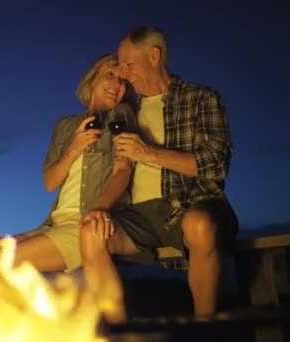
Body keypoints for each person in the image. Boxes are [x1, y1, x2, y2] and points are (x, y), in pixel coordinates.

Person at [79, 26, 238, 323]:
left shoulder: (201, 98)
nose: (123, 74)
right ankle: (118, 330)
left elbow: (216, 164)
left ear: (154, 56)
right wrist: (99, 208)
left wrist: (150, 153)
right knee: (91, 231)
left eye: (128, 64)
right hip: (141, 217)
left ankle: (206, 328)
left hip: (192, 205)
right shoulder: (127, 111)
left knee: (200, 225)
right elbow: (122, 170)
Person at [13, 53, 136, 274]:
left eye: (123, 81)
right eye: (110, 75)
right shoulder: (66, 125)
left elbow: (123, 171)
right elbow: (50, 183)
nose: (117, 84)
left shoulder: (122, 116)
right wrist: (74, 148)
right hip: (54, 223)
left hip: (86, 223)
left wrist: (99, 208)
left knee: (5, 260)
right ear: (92, 79)